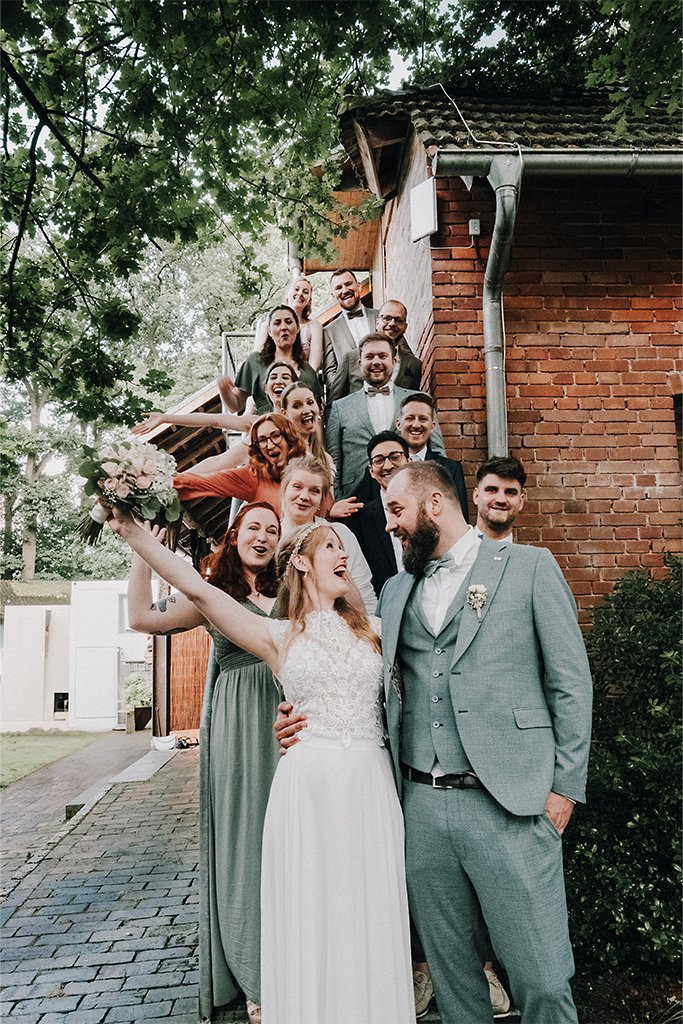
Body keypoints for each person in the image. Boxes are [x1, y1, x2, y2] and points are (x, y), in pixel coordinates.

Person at [279, 460, 593, 1024]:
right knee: (453, 986)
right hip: (420, 807)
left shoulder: (529, 567)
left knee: (543, 979)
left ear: (432, 505)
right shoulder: (397, 591)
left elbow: (570, 683)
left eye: (396, 511)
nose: (390, 526)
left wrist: (563, 789)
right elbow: (363, 677)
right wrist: (303, 718)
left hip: (511, 804)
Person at [107, 513, 415, 1024]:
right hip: (307, 788)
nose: (345, 556)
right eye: (332, 546)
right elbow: (199, 593)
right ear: (301, 562)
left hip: (369, 787)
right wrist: (134, 534)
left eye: (345, 548)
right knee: (313, 912)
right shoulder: (277, 636)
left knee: (369, 914)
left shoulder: (377, 633)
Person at [122, 503, 281, 1024]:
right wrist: (143, 552)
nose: (263, 536)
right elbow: (142, 618)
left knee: (287, 839)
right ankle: (254, 973)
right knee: (245, 842)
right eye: (253, 527)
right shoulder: (215, 598)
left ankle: (292, 958)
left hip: (288, 721)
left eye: (273, 530)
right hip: (239, 725)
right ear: (235, 536)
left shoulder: (293, 594)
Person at [325, 332, 445, 499]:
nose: (376, 362)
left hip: (411, 492)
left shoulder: (418, 401)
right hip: (356, 498)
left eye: (382, 356)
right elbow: (333, 461)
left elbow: (437, 453)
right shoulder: (340, 407)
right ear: (360, 364)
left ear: (394, 362)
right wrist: (337, 499)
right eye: (370, 357)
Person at [279, 455, 376, 614]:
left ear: (321, 500)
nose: (304, 496)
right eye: (297, 486)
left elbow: (364, 593)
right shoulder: (269, 535)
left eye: (314, 491)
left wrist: (370, 632)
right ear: (284, 489)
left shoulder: (340, 534)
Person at [173, 413, 306, 515]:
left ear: (289, 438)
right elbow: (203, 481)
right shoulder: (253, 476)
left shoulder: (311, 472)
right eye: (262, 440)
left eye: (276, 436)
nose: (270, 445)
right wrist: (160, 479)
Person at [132, 361, 297, 438]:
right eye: (273, 377)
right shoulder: (258, 422)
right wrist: (165, 418)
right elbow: (214, 420)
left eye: (285, 377)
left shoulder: (304, 418)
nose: (279, 380)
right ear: (266, 388)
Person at [221, 306, 321, 415]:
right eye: (277, 323)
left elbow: (316, 416)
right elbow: (236, 405)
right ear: (269, 331)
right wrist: (223, 388)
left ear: (297, 328)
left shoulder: (308, 371)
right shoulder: (255, 362)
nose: (283, 327)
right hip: (265, 428)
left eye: (288, 322)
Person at [346, 431, 410, 598]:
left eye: (395, 457)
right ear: (371, 471)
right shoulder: (360, 519)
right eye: (379, 460)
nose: (387, 466)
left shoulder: (429, 508)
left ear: (409, 462)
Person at [327, 299, 422, 403]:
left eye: (398, 320)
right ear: (377, 322)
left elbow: (414, 405)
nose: (392, 323)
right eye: (387, 318)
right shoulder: (351, 359)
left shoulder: (414, 365)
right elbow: (333, 405)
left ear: (405, 327)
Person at [396, 392, 469, 521]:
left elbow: (460, 519)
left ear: (432, 426)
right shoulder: (384, 469)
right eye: (410, 418)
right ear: (398, 424)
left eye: (423, 419)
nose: (416, 425)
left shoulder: (451, 469)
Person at [321, 269, 379, 393]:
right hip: (353, 400)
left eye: (348, 284)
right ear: (333, 295)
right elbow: (329, 374)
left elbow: (405, 355)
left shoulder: (381, 316)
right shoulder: (328, 332)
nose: (344, 290)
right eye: (338, 288)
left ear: (358, 285)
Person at [255, 277, 323, 370]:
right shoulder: (267, 325)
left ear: (309, 300)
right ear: (287, 293)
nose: (300, 293)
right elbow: (258, 360)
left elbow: (314, 367)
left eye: (305, 292)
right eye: (296, 289)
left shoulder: (314, 326)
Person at [473, 455, 527, 541]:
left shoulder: (532, 554)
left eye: (509, 492)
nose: (501, 500)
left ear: (521, 502)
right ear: (476, 496)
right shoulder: (452, 553)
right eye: (492, 490)